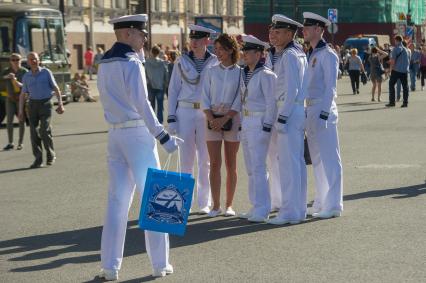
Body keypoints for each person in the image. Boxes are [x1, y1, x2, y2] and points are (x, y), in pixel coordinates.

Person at [97, 14, 182, 280]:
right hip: (137, 134)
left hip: (115, 135)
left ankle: (110, 267)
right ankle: (159, 264)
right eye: (141, 34)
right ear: (129, 33)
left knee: (116, 202)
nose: (145, 38)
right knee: (156, 200)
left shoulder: (104, 62)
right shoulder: (132, 63)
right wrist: (163, 136)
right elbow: (143, 104)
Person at [167, 24, 218, 214]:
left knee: (206, 160)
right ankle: (183, 202)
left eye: (198, 39)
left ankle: (204, 202)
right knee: (186, 159)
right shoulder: (181, 61)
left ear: (207, 41)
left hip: (205, 113)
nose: (193, 42)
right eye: (192, 39)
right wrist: (171, 118)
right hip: (185, 112)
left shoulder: (214, 62)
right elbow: (173, 90)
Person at [264, 14, 307, 225]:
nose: (274, 35)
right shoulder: (291, 53)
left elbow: (292, 90)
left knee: (289, 165)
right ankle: (297, 210)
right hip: (292, 112)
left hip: (288, 112)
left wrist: (282, 118)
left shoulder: (290, 55)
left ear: (290, 34)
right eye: (274, 31)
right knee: (294, 163)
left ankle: (290, 211)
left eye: (278, 32)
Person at [302, 12, 343, 219]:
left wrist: (325, 114)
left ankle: (334, 204)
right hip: (310, 109)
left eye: (308, 27)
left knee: (330, 158)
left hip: (322, 109)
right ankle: (321, 201)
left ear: (319, 29)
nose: (304, 30)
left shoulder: (328, 54)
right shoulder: (310, 53)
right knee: (317, 159)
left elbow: (330, 88)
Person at [238, 35, 277, 223]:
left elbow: (272, 103)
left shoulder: (266, 75)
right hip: (246, 122)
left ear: (259, 53)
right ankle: (255, 205)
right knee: (250, 168)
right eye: (244, 51)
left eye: (248, 51)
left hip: (259, 122)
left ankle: (263, 208)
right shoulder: (244, 73)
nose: (244, 54)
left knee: (259, 167)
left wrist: (267, 127)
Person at [201, 33, 241, 217]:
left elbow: (240, 99)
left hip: (232, 119)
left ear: (231, 50)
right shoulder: (210, 71)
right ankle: (215, 205)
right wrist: (211, 118)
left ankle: (229, 205)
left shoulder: (240, 72)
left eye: (221, 50)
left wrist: (225, 119)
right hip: (211, 119)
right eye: (215, 49)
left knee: (231, 164)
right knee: (214, 163)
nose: (218, 53)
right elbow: (204, 97)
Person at [18, 52, 65, 168]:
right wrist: (20, 111)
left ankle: (50, 155)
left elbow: (56, 88)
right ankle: (38, 159)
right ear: (27, 62)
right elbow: (23, 94)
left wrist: (60, 104)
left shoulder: (46, 72)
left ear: (39, 60)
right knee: (33, 133)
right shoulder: (26, 76)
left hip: (46, 103)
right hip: (32, 105)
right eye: (30, 59)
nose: (33, 61)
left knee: (44, 130)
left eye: (35, 59)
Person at [1, 53, 28, 150]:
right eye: (13, 60)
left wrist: (15, 80)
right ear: (10, 61)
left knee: (21, 120)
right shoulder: (6, 71)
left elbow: (26, 85)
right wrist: (6, 77)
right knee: (9, 121)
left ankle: (20, 143)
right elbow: (1, 79)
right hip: (10, 98)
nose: (15, 62)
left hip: (20, 99)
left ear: (21, 60)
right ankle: (10, 142)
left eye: (17, 59)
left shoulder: (24, 71)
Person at [145, 45, 169, 123]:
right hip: (160, 86)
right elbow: (166, 74)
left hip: (150, 86)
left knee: (151, 106)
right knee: (160, 106)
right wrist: (165, 84)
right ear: (159, 53)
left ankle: (152, 122)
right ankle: (160, 122)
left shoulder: (147, 62)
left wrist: (147, 81)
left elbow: (144, 74)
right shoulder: (162, 63)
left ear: (152, 52)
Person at [386, 35, 410, 108]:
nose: (394, 42)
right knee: (405, 87)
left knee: (391, 84)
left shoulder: (395, 49)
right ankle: (405, 103)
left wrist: (390, 70)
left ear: (397, 40)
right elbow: (408, 60)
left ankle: (392, 102)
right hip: (404, 71)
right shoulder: (406, 50)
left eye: (395, 40)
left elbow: (393, 61)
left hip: (396, 70)